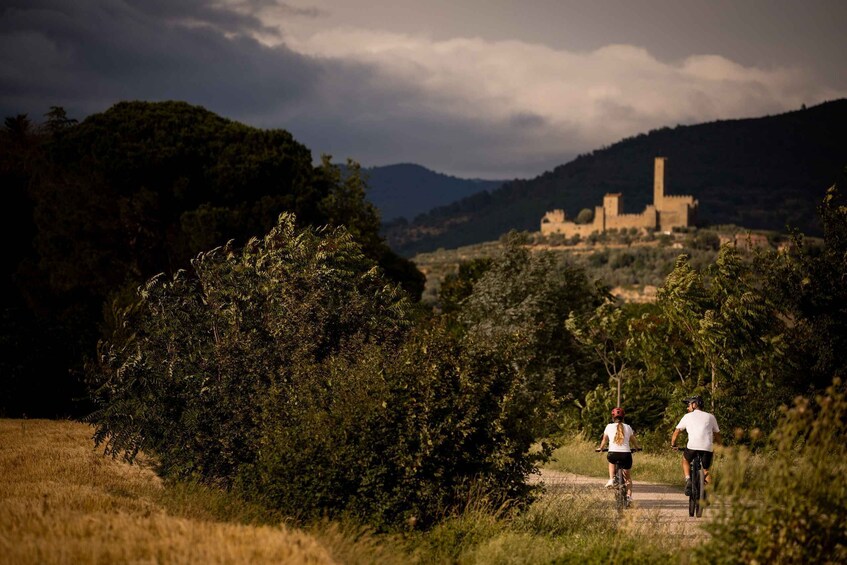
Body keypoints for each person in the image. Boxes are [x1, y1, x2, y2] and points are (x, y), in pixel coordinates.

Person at [671, 395, 721, 496]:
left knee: (685, 460)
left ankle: (688, 479)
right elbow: (717, 435)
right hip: (707, 447)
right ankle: (708, 495)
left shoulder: (687, 416)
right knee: (706, 470)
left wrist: (673, 444)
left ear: (694, 404)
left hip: (692, 447)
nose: (687, 407)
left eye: (688, 404)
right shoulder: (711, 417)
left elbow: (676, 432)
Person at [596, 407, 640, 503]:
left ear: (613, 417)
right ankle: (629, 496)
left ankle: (611, 479)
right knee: (627, 477)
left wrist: (601, 448)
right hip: (626, 455)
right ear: (623, 417)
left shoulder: (608, 426)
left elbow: (604, 440)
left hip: (613, 454)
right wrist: (637, 447)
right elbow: (633, 440)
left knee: (611, 460)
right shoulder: (628, 427)